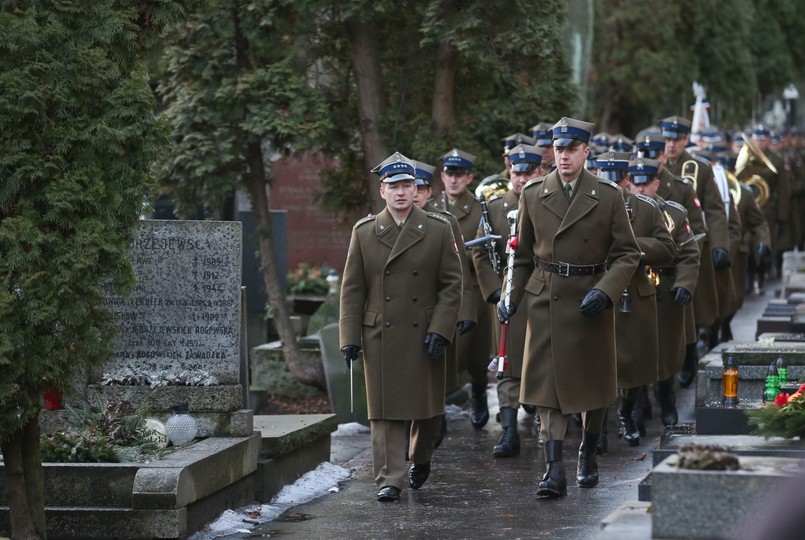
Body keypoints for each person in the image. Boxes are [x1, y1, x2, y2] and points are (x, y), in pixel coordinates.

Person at [499, 117, 640, 498]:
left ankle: (588, 452)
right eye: (559, 150)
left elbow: (628, 254)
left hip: (590, 296)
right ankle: (553, 469)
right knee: (548, 388)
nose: (564, 156)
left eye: (571, 150)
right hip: (546, 298)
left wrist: (607, 290)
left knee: (592, 387)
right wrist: (511, 297)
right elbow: (523, 256)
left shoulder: (608, 195)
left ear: (585, 153)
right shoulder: (532, 194)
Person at [339, 152, 463, 502]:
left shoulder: (438, 229)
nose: (401, 192)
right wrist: (349, 337)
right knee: (384, 412)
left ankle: (420, 457)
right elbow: (352, 290)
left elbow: (452, 285)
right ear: (382, 191)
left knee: (426, 415)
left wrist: (441, 329)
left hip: (424, 333)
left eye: (407, 185)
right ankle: (389, 478)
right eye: (393, 186)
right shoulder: (364, 232)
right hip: (381, 333)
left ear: (416, 188)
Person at [597, 154, 676, 448]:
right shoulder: (588, 207)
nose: (611, 185)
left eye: (617, 180)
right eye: (605, 178)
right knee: (598, 364)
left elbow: (668, 249)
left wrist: (632, 244)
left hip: (634, 292)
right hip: (598, 290)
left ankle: (626, 414)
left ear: (627, 181)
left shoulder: (646, 208)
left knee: (632, 365)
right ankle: (598, 427)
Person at [473, 144, 543, 458]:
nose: (522, 179)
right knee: (506, 365)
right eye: (517, 173)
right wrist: (493, 290)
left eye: (529, 173)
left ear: (540, 172)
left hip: (542, 292)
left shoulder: (548, 205)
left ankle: (545, 421)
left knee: (541, 361)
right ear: (509, 173)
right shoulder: (496, 207)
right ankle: (509, 431)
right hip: (507, 295)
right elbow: (480, 252)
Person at [660, 116, 730, 395]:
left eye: (676, 139)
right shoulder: (654, 168)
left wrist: (719, 244)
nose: (671, 144)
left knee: (691, 307)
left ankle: (689, 354)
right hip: (662, 247)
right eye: (667, 139)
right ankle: (678, 356)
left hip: (691, 244)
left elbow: (713, 209)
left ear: (686, 139)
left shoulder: (699, 168)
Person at [629, 155, 700, 432]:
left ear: (656, 183)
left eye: (645, 184)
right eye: (635, 184)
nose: (640, 189)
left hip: (666, 289)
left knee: (666, 347)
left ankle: (666, 394)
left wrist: (685, 283)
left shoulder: (675, 213)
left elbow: (689, 252)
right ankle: (636, 403)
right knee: (635, 348)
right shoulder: (620, 213)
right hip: (633, 289)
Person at [413, 159, 477, 447]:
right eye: (406, 186)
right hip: (402, 316)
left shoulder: (444, 223)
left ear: (429, 192)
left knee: (434, 376)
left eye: (420, 188)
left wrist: (461, 313)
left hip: (436, 312)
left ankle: (434, 422)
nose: (413, 193)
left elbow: (457, 275)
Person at [436, 148, 491, 429]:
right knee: (445, 351)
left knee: (475, 353)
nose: (453, 180)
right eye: (449, 174)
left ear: (469, 177)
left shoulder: (480, 209)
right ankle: (440, 409)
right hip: (443, 290)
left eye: (459, 175)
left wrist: (458, 256)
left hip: (473, 287)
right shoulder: (432, 207)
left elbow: (486, 251)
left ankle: (480, 392)